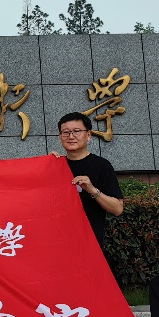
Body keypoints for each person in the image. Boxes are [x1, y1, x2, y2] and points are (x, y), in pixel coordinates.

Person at [51, 112, 124, 270]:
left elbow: (118, 208)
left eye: (77, 131)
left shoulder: (102, 166)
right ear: (60, 136)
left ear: (88, 135)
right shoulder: (55, 165)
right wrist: (46, 164)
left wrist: (92, 190)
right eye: (66, 132)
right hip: (57, 244)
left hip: (90, 244)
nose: (71, 136)